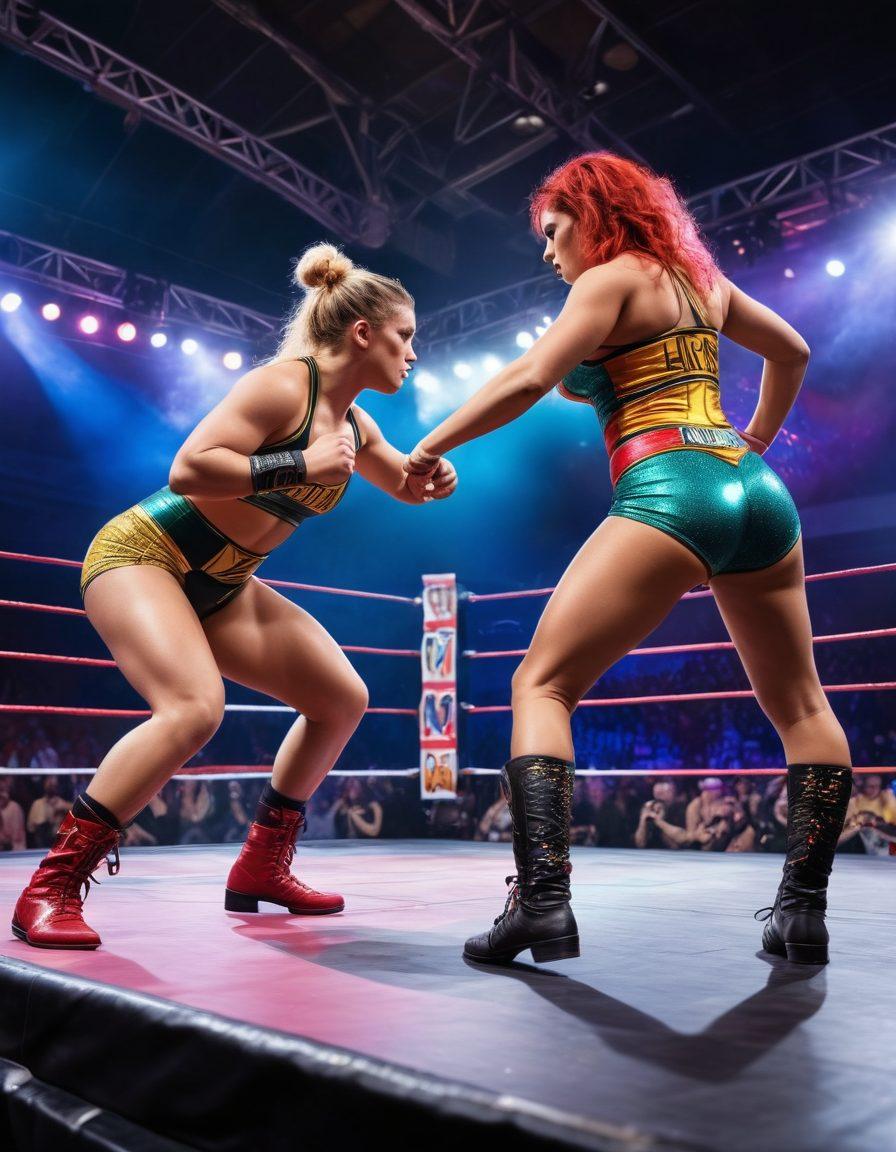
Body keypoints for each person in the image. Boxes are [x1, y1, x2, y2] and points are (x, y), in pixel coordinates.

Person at [406, 152, 852, 966]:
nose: (547, 251)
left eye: (554, 229)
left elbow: (534, 376)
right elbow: (793, 352)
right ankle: (803, 915)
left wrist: (426, 445)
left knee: (540, 683)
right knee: (801, 705)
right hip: (754, 489)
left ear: (594, 211)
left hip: (670, 480)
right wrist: (753, 440)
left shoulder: (610, 279)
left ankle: (541, 907)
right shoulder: (700, 282)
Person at [12, 243, 456, 950]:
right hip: (145, 554)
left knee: (341, 699)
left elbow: (403, 482)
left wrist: (430, 477)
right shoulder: (285, 386)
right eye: (405, 336)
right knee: (192, 708)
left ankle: (262, 865)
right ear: (363, 333)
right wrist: (295, 462)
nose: (413, 353)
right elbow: (189, 468)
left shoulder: (357, 426)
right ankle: (51, 888)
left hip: (225, 581)